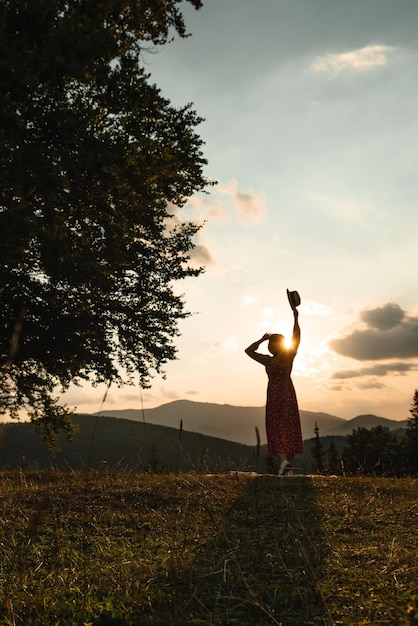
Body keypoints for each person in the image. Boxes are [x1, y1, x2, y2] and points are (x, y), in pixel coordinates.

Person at [245, 306, 303, 475]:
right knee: (291, 427)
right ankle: (288, 466)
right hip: (288, 392)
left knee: (276, 428)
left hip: (274, 394)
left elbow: (248, 351)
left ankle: (284, 462)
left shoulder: (268, 361)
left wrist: (262, 340)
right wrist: (296, 319)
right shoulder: (289, 356)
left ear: (271, 347)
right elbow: (296, 337)